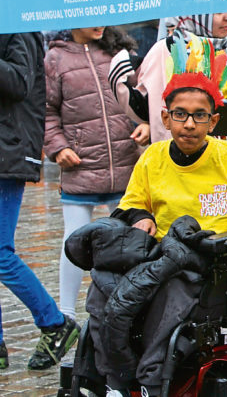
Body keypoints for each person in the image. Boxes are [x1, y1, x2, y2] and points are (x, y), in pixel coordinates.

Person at [96, 39, 227, 396]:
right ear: (164, 117)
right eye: (180, 114)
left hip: (213, 266)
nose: (189, 124)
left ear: (214, 120)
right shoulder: (153, 159)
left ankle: (151, 380)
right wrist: (140, 218)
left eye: (199, 115)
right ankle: (108, 378)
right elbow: (127, 208)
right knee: (102, 285)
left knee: (171, 290)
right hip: (157, 257)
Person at [43, 26, 147, 322]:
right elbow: (47, 110)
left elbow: (141, 97)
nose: (100, 23)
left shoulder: (120, 52)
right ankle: (66, 315)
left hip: (126, 164)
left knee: (132, 240)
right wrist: (57, 147)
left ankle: (133, 307)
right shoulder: (55, 58)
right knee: (73, 241)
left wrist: (146, 124)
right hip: (81, 166)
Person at [0, 32, 79, 370]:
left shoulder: (19, 27)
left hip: (7, 154)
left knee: (0, 253)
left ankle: (55, 323)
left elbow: (18, 81)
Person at [109, 13, 227, 157]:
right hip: (184, 159)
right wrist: (119, 76)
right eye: (218, 12)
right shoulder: (165, 51)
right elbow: (145, 109)